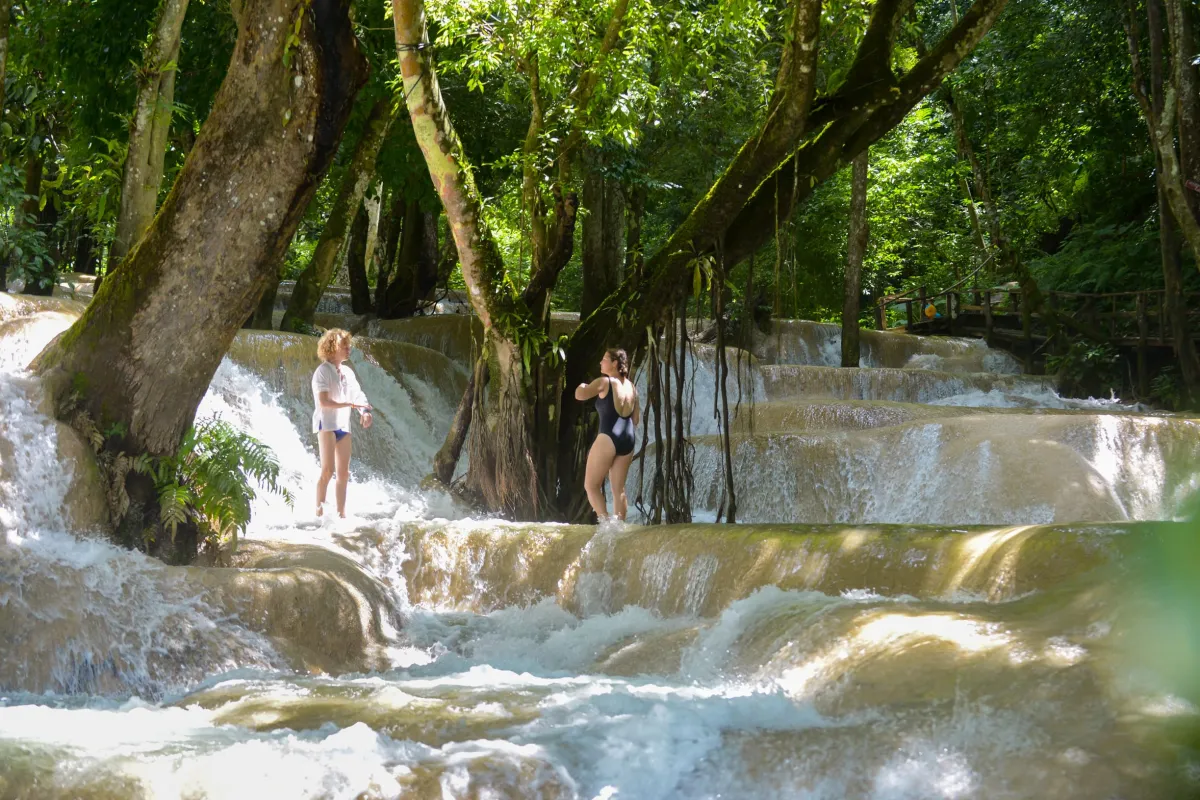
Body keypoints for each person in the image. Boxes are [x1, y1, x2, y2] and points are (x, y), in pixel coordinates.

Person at [311, 328, 372, 518]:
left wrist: (365, 411)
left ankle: (341, 515)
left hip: (343, 425)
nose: (348, 349)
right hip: (326, 425)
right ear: (331, 348)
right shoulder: (322, 371)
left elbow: (358, 395)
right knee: (328, 471)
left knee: (344, 473)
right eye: (344, 346)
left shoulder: (347, 372)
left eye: (348, 345)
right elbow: (324, 402)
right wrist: (350, 404)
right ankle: (319, 513)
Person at [575, 348, 640, 522]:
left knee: (591, 485)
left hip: (608, 436)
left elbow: (580, 395)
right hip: (628, 438)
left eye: (604, 359)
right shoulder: (632, 387)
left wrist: (582, 385)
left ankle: (604, 523)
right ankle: (618, 528)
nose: (600, 362)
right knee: (619, 490)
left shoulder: (605, 382)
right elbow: (636, 419)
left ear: (615, 363)